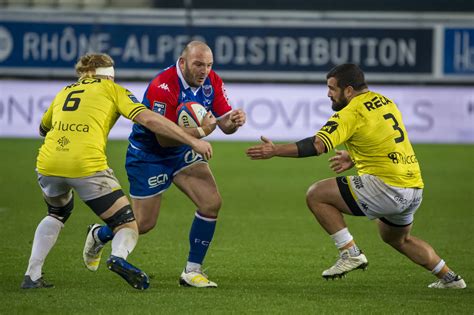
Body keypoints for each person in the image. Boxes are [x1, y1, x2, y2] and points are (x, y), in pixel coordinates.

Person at [246, 63, 466, 289]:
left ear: (348, 90)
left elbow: (318, 145)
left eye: (332, 88)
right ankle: (450, 279)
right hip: (413, 188)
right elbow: (384, 137)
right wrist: (353, 157)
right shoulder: (384, 101)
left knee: (317, 194)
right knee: (397, 238)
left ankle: (350, 253)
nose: (328, 93)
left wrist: (275, 151)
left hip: (387, 186)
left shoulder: (351, 112)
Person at [21, 53, 213, 290]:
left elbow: (43, 128)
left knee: (56, 213)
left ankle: (32, 275)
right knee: (126, 223)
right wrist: (194, 139)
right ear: (111, 75)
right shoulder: (114, 90)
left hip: (48, 162)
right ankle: (118, 257)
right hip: (86, 164)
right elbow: (149, 120)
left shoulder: (65, 91)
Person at [83, 41, 246, 288]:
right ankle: (99, 234)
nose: (205, 71)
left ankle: (192, 271)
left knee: (211, 202)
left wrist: (234, 121)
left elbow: (224, 125)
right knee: (143, 224)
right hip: (149, 155)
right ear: (183, 63)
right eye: (198, 64)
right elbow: (164, 139)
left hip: (182, 151)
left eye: (209, 65)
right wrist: (200, 134)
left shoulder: (212, 81)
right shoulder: (163, 86)